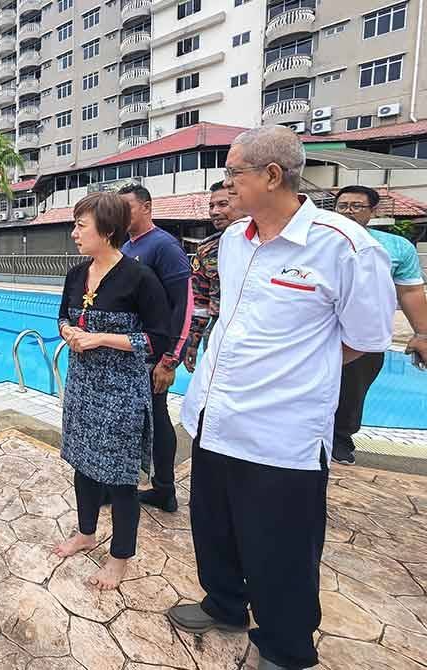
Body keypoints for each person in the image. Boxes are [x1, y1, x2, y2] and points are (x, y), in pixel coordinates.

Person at [169, 126, 395, 670]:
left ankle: (286, 647)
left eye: (233, 174)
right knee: (214, 525)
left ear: (272, 176)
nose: (224, 186)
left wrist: (292, 370)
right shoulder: (232, 240)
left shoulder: (344, 247)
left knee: (282, 549)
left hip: (281, 433)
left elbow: (364, 339)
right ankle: (224, 604)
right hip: (217, 419)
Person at [51, 193, 170, 590]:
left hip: (121, 392)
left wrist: (100, 338)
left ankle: (120, 557)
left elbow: (156, 339)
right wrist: (69, 332)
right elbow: (63, 317)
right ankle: (86, 533)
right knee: (83, 465)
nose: (74, 234)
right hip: (83, 387)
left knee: (120, 479)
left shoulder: (140, 278)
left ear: (108, 229)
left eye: (80, 226)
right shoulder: (76, 274)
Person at [331, 185, 427, 464]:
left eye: (356, 206)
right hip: (322, 330)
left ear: (373, 211)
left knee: (352, 391)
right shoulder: (319, 240)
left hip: (365, 334)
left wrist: (422, 333)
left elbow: (409, 291)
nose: (348, 212)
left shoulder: (395, 247)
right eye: (343, 206)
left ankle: (340, 439)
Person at [117, 183, 192, 513]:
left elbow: (184, 305)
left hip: (154, 355)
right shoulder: (124, 244)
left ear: (146, 207)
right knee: (133, 420)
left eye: (127, 208)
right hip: (130, 353)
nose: (122, 215)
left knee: (158, 418)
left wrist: (170, 358)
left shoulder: (164, 246)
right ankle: (128, 482)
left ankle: (165, 489)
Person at [185, 181, 247, 372]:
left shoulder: (268, 243)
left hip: (255, 330)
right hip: (218, 328)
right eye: (211, 206)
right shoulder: (206, 249)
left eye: (223, 204)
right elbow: (200, 302)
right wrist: (192, 343)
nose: (214, 211)